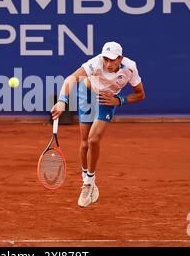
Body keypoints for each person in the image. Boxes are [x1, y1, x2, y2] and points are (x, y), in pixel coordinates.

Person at [50, 41, 146, 208]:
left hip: (107, 100)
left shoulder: (130, 68)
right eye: (106, 59)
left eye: (112, 60)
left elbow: (140, 95)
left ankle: (89, 182)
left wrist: (118, 100)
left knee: (94, 140)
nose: (108, 64)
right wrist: (61, 101)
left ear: (120, 59)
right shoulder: (95, 63)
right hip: (87, 93)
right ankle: (86, 181)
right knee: (85, 143)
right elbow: (71, 78)